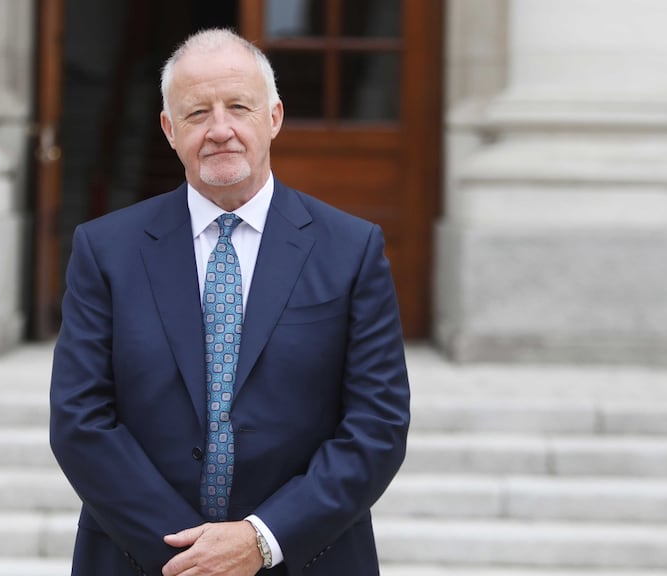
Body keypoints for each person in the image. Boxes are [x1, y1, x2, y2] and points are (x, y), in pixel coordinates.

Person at [50, 28, 410, 576]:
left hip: (304, 558)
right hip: (143, 560)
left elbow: (377, 425)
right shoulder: (105, 251)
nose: (220, 130)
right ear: (169, 130)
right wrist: (192, 558)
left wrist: (260, 541)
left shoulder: (351, 250)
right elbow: (80, 422)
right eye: (197, 113)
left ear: (274, 117)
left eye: (239, 107)